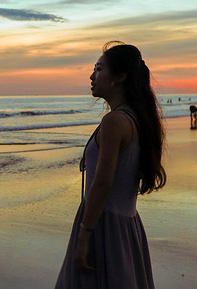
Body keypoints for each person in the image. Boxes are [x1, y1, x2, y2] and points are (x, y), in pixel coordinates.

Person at [56, 41, 166, 288]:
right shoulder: (136, 118)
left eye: (98, 69)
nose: (92, 76)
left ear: (119, 77)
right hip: (126, 225)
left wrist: (85, 234)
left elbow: (103, 183)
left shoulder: (114, 121)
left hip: (102, 225)